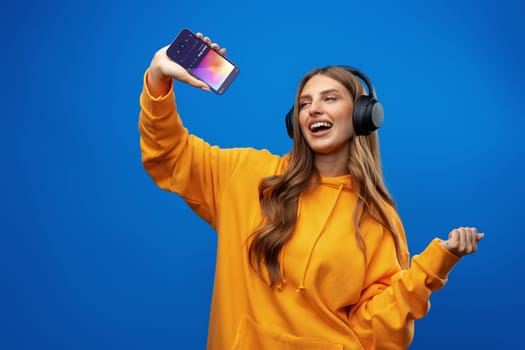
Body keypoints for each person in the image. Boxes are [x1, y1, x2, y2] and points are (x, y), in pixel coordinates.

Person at [138, 32, 484, 350]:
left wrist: (435, 265)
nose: (314, 109)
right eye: (304, 103)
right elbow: (170, 155)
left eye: (329, 98)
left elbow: (376, 330)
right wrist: (159, 77)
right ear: (296, 122)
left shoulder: (376, 217)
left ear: (363, 115)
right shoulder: (246, 174)